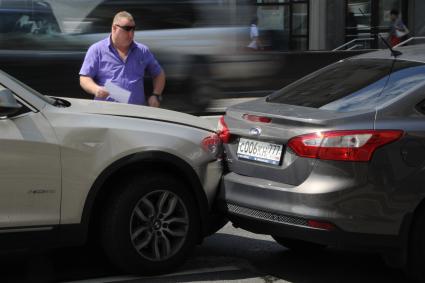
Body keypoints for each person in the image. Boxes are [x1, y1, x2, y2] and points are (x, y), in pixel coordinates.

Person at [79, 11, 165, 107]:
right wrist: (96, 89)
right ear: (114, 28)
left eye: (133, 29)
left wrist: (156, 95)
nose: (131, 33)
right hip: (106, 111)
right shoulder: (97, 49)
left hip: (136, 112)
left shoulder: (142, 51)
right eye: (127, 29)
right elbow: (84, 78)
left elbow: (158, 74)